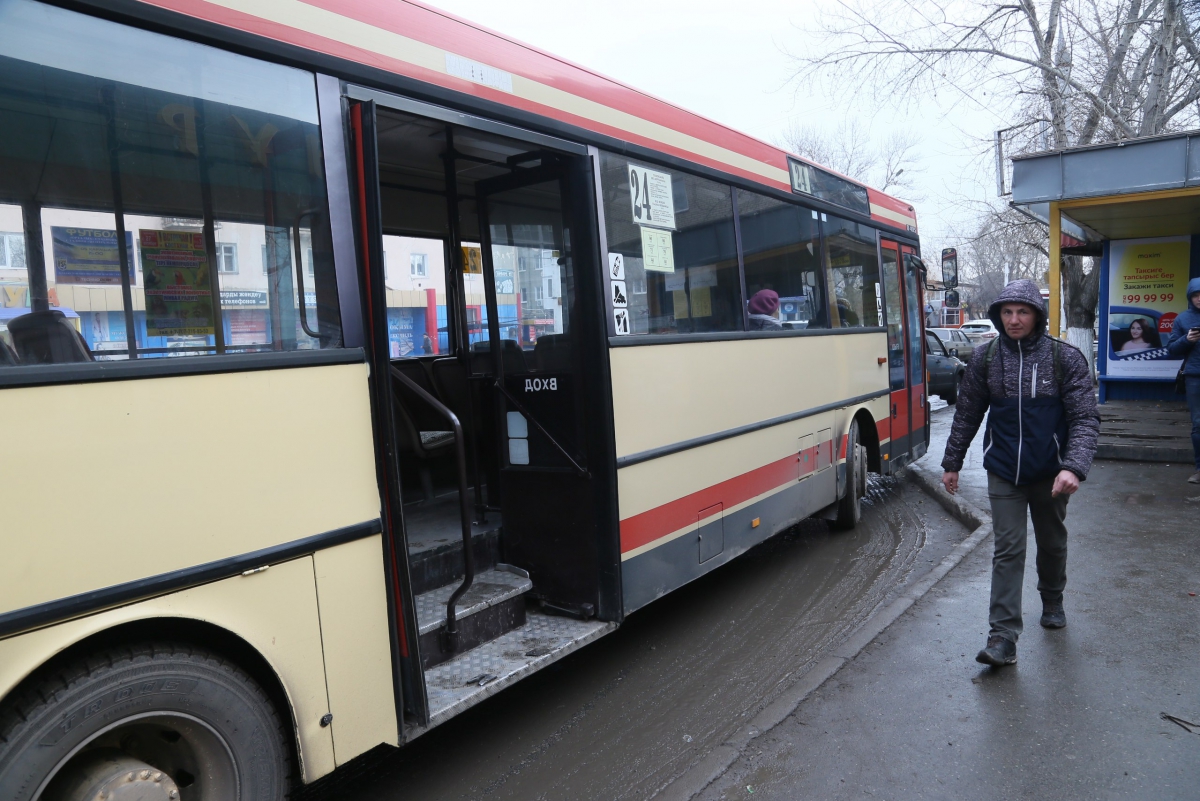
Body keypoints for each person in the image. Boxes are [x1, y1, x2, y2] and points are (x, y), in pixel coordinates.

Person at [941, 279, 1099, 666]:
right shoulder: (986, 358)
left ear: (1037, 316)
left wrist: (1074, 467)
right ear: (998, 316)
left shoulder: (1065, 358)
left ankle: (1052, 598)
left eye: (1022, 312)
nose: (1014, 320)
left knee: (1052, 542)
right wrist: (952, 462)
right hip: (1003, 471)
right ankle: (1003, 637)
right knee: (1008, 549)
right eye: (1007, 312)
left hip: (1051, 473)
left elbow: (1084, 418)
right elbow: (968, 413)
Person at [1166, 278, 1200, 484]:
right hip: (1194, 377)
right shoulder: (1182, 319)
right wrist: (1187, 340)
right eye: (1195, 295)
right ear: (1190, 297)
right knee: (1198, 424)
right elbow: (1171, 350)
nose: (1199, 299)